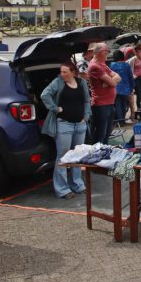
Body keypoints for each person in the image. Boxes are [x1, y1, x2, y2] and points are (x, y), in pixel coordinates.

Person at [41, 63, 91, 199]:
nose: (62, 74)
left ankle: (77, 185)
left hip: (79, 125)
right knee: (63, 156)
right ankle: (62, 189)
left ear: (73, 72)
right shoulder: (58, 82)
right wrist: (55, 108)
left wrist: (86, 117)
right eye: (61, 72)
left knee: (78, 155)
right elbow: (44, 95)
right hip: (64, 124)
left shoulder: (82, 83)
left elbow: (87, 101)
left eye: (65, 72)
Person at [87, 43, 121, 144]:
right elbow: (113, 82)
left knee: (107, 133)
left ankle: (104, 153)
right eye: (107, 51)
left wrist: (109, 82)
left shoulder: (102, 65)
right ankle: (98, 155)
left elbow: (118, 77)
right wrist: (111, 82)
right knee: (100, 135)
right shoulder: (95, 66)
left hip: (109, 103)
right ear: (101, 52)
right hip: (101, 105)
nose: (108, 53)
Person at [110, 50, 134, 124]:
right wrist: (132, 87)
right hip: (125, 88)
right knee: (124, 105)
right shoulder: (126, 65)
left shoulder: (112, 65)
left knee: (117, 105)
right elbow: (130, 77)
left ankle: (119, 121)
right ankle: (122, 120)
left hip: (115, 88)